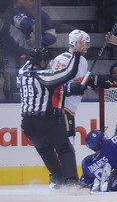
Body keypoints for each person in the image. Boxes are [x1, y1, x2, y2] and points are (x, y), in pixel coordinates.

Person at [18, 43, 84, 188]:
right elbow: (69, 73)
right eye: (47, 61)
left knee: (45, 150)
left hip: (27, 124)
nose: (49, 65)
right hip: (43, 120)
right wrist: (77, 55)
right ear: (41, 61)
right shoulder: (44, 76)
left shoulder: (21, 73)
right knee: (65, 148)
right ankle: (72, 181)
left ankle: (59, 180)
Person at [50, 29, 112, 145]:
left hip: (71, 108)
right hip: (60, 108)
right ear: (75, 43)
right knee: (66, 144)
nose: (86, 47)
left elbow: (81, 81)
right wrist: (70, 88)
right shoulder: (62, 60)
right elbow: (54, 84)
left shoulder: (82, 60)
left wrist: (95, 81)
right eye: (84, 43)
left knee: (70, 142)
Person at [80, 92, 117, 190]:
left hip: (101, 179)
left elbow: (84, 184)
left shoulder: (86, 163)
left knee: (91, 181)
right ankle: (115, 180)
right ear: (101, 142)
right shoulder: (110, 146)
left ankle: (99, 182)